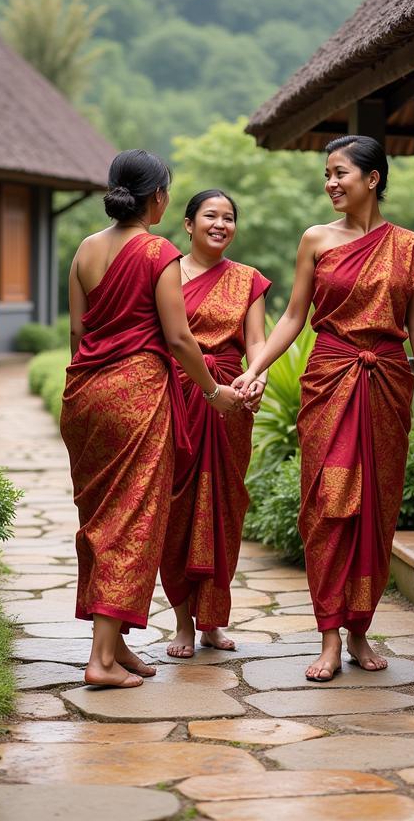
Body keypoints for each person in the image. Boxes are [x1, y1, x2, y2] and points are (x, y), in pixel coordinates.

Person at [234, 135, 414, 682]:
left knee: (376, 510)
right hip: (330, 379)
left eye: (340, 173)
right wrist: (253, 369)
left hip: (388, 385)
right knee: (328, 506)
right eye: (326, 174)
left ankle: (358, 631)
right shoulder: (316, 240)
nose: (330, 183)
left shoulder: (410, 247)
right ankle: (329, 634)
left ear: (372, 179)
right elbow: (291, 317)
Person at [60, 150, 242, 689]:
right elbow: (180, 338)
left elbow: (76, 335)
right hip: (136, 396)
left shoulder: (86, 249)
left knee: (99, 518)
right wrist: (212, 392)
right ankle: (100, 661)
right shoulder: (158, 251)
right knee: (132, 520)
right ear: (159, 197)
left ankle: (116, 648)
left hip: (85, 395)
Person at [160, 190, 271, 658]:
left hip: (229, 408)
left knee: (224, 508)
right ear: (188, 224)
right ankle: (183, 622)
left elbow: (257, 343)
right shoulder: (164, 274)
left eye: (229, 218)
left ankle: (212, 622)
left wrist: (258, 377)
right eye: (211, 216)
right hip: (177, 399)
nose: (220, 224)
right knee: (178, 508)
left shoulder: (248, 280)